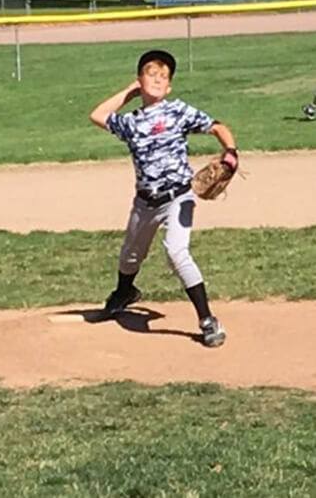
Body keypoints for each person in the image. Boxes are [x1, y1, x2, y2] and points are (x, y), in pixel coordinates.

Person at [89, 49, 238, 347]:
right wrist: (130, 91)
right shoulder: (130, 123)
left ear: (169, 87)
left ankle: (207, 320)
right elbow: (97, 115)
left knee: (176, 252)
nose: (157, 79)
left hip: (179, 196)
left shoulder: (178, 111)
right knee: (130, 255)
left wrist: (231, 152)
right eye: (151, 74)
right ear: (139, 80)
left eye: (163, 76)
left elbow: (217, 126)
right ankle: (125, 293)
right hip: (145, 201)